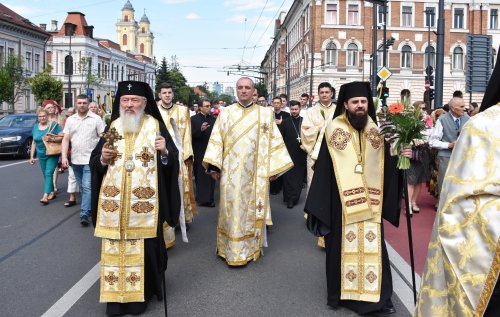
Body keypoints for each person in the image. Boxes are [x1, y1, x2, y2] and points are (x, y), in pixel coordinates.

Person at [304, 81, 411, 316]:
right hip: (341, 207)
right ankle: (342, 294)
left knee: (374, 249)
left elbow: (386, 166)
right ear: (346, 104)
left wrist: (401, 157)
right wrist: (322, 206)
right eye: (355, 102)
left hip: (371, 206)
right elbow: (323, 170)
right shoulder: (333, 130)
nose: (360, 106)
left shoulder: (376, 132)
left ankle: (379, 298)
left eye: (363, 102)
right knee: (341, 250)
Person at [415, 49, 500, 315]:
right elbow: (458, 207)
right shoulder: (483, 127)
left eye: (465, 108)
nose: (463, 109)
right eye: (460, 107)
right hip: (447, 158)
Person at [90, 80, 180, 316]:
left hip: (145, 207)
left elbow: (172, 162)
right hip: (116, 207)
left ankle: (141, 297)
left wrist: (165, 153)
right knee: (114, 248)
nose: (129, 105)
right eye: (125, 101)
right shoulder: (114, 127)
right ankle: (115, 301)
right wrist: (102, 158)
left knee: (147, 251)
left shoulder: (155, 127)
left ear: (144, 103)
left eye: (134, 101)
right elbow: (96, 161)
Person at [203, 77, 293, 266]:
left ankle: (250, 248)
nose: (243, 91)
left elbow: (274, 141)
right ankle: (228, 248)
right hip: (230, 172)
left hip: (255, 173)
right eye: (240, 88)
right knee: (231, 209)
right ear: (236, 90)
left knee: (251, 211)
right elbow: (216, 140)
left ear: (253, 91)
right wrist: (213, 167)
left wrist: (273, 169)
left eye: (247, 88)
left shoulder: (265, 114)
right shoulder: (225, 113)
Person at [157, 82, 197, 248]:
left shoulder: (182, 111)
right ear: (159, 95)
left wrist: (186, 154)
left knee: (183, 188)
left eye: (170, 92)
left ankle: (183, 218)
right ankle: (167, 219)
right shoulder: (155, 112)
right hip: (161, 155)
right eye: (164, 93)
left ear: (173, 94)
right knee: (165, 188)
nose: (167, 95)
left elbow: (187, 133)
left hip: (179, 156)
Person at [61, 94, 105, 226]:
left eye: (84, 103)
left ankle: (84, 213)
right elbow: (66, 139)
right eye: (79, 103)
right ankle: (91, 207)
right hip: (75, 159)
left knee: (86, 186)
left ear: (88, 104)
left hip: (91, 159)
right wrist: (64, 157)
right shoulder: (70, 120)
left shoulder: (96, 119)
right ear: (76, 103)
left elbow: (103, 136)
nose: (82, 105)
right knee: (83, 186)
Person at [429, 96, 469, 200]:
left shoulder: (468, 119)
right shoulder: (442, 119)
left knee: (461, 182)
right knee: (445, 182)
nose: (465, 108)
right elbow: (432, 142)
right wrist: (449, 145)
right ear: (453, 109)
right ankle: (442, 205)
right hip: (446, 157)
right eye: (462, 106)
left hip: (463, 157)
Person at [301, 82, 337, 191]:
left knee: (333, 181)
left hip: (334, 150)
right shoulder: (310, 111)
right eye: (321, 92)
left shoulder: (338, 110)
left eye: (327, 92)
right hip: (315, 151)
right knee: (314, 181)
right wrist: (320, 128)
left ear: (331, 94)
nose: (324, 94)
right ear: (318, 94)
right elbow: (305, 130)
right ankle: (313, 206)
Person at [30, 107, 62, 204]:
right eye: (40, 116)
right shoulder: (35, 126)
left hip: (52, 153)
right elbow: (34, 142)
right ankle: (52, 191)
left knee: (48, 173)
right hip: (41, 154)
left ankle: (45, 195)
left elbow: (62, 137)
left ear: (48, 116)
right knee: (45, 174)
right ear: (38, 117)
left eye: (44, 116)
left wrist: (51, 139)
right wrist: (32, 156)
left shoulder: (54, 125)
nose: (42, 118)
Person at [281, 100, 307, 208]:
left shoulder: (304, 121)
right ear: (290, 109)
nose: (294, 111)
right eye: (292, 109)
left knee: (298, 177)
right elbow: (281, 139)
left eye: (296, 109)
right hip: (288, 153)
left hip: (301, 154)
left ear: (300, 109)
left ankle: (294, 197)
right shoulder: (285, 122)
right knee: (288, 177)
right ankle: (288, 198)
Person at [407, 101, 431, 214]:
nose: (423, 110)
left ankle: (414, 202)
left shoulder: (428, 120)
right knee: (411, 180)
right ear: (415, 109)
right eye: (421, 108)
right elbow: (405, 136)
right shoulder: (410, 120)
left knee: (419, 181)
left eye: (424, 108)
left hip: (423, 153)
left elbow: (431, 134)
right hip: (412, 153)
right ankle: (408, 205)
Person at [191, 99, 216, 207]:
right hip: (199, 150)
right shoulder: (193, 119)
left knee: (211, 175)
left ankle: (210, 198)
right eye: (206, 106)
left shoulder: (213, 119)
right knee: (200, 175)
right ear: (200, 107)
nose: (209, 107)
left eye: (210, 105)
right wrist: (200, 130)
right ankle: (201, 198)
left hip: (211, 151)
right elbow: (190, 135)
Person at [270, 96, 290, 195]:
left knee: (282, 163)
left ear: (281, 104)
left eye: (279, 103)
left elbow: (289, 127)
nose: (277, 104)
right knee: (273, 165)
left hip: (283, 142)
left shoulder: (286, 115)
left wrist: (283, 123)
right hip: (272, 143)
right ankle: (274, 187)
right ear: (272, 104)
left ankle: (281, 185)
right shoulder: (269, 114)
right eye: (275, 103)